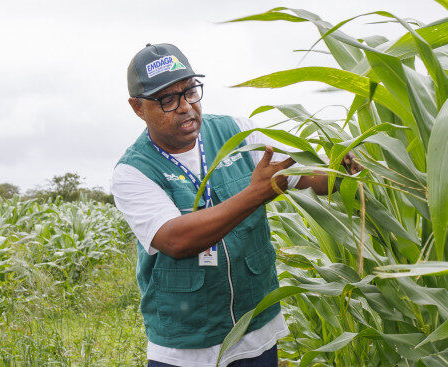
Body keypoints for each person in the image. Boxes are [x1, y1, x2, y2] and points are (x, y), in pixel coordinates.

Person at [113, 43, 354, 367]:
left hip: (257, 329)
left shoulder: (238, 133)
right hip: (187, 346)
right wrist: (256, 194)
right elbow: (176, 239)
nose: (185, 107)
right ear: (138, 107)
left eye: (190, 91)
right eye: (167, 100)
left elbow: (307, 176)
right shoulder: (133, 171)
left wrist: (343, 171)